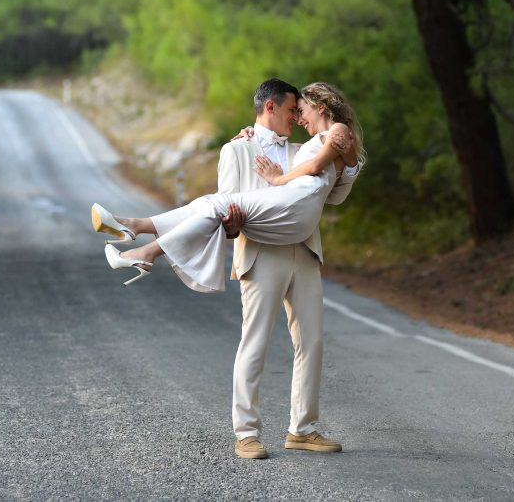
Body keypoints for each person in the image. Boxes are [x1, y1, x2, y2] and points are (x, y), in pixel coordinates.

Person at [90, 80, 363, 459]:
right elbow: (225, 212)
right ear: (271, 107)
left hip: (303, 250)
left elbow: (334, 194)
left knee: (312, 342)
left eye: (300, 111)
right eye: (291, 111)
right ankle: (246, 433)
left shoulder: (306, 147)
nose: (297, 117)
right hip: (261, 253)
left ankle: (303, 428)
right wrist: (234, 228)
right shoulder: (237, 149)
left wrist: (349, 161)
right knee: (255, 342)